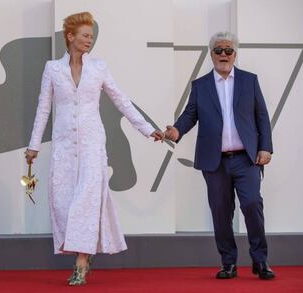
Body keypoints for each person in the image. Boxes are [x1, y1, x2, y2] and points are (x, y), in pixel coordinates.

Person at [25, 11, 164, 285]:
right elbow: (43, 109)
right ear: (70, 36)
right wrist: (33, 146)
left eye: (92, 36)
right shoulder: (52, 68)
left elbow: (121, 100)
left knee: (86, 202)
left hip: (92, 144)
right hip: (64, 146)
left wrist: (148, 129)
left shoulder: (98, 68)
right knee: (64, 202)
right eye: (85, 35)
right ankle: (83, 253)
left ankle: (81, 261)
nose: (90, 40)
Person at [165, 31, 275, 280]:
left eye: (228, 50)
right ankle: (229, 263)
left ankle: (260, 260)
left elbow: (262, 117)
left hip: (247, 159)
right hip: (214, 162)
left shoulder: (249, 81)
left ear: (235, 54)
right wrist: (176, 130)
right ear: (211, 54)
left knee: (252, 204)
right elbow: (189, 115)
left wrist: (265, 147)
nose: (223, 55)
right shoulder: (200, 85)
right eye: (218, 50)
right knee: (221, 212)